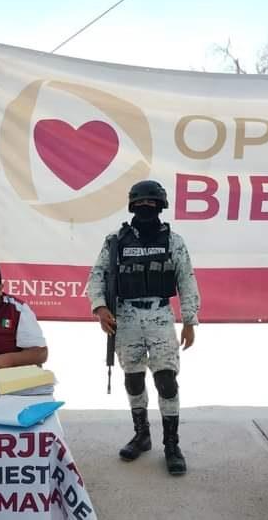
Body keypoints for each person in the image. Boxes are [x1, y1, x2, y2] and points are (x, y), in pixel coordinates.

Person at [87, 180, 200, 476]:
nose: (146, 209)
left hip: (160, 314)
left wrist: (189, 320)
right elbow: (97, 275)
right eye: (141, 204)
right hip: (125, 317)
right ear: (132, 206)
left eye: (152, 204)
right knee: (133, 380)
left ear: (161, 207)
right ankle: (142, 435)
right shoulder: (115, 241)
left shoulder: (174, 241)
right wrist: (100, 308)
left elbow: (186, 280)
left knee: (166, 381)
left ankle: (172, 444)